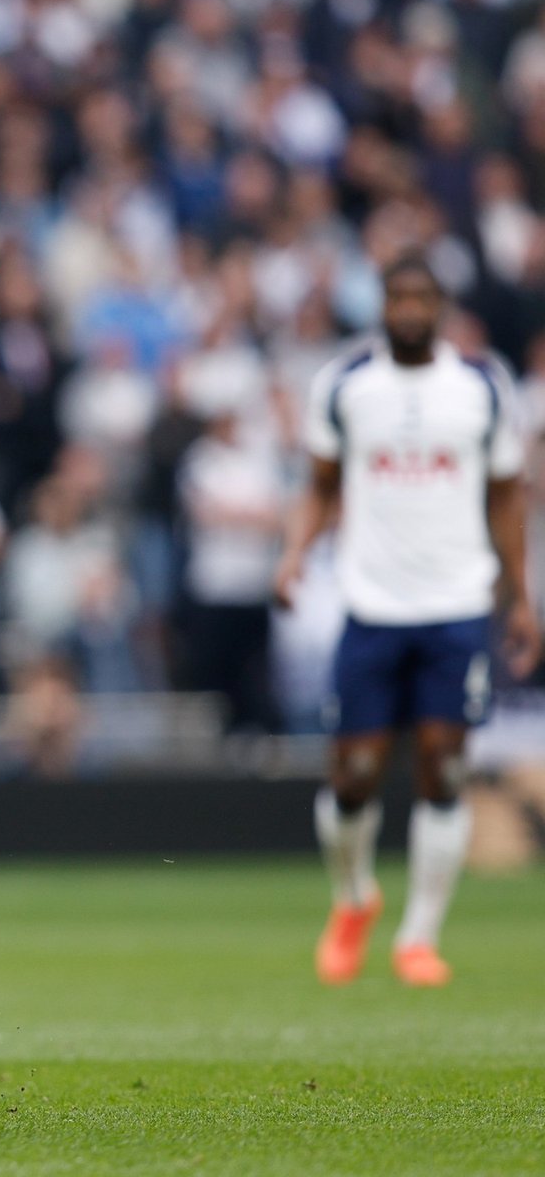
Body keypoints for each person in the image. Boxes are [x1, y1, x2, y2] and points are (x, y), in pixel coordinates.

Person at [275, 252, 540, 988]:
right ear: (383, 305)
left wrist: (520, 596)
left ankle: (419, 937)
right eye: (399, 297)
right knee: (353, 775)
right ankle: (355, 897)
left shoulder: (481, 387)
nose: (410, 309)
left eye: (423, 298)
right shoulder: (348, 385)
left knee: (443, 767)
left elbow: (508, 496)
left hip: (457, 604)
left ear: (442, 307)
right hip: (373, 603)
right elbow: (321, 485)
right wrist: (295, 553)